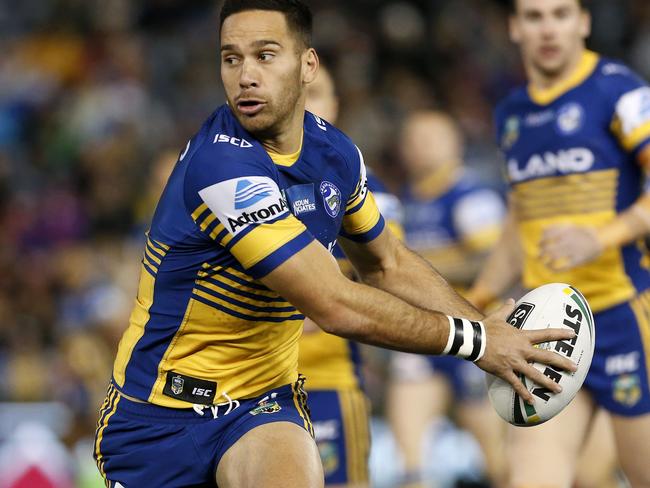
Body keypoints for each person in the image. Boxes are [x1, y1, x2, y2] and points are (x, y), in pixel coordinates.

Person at [93, 1, 576, 487]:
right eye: (231, 58)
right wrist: (478, 342)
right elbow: (333, 304)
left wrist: (485, 327)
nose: (245, 76)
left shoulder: (336, 153)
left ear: (308, 65)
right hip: (158, 420)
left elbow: (387, 263)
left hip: (261, 406)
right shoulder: (220, 166)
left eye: (265, 55)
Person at [467, 0, 650, 486]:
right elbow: (518, 220)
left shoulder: (619, 90)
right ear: (514, 27)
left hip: (628, 315)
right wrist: (477, 300)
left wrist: (601, 237)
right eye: (534, 16)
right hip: (549, 329)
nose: (548, 28)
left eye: (561, 13)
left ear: (584, 22)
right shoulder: (511, 113)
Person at [387, 110, 507, 487]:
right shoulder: (405, 198)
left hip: (476, 335)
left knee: (497, 459)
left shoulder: (471, 195)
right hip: (422, 335)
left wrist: (411, 263)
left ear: (456, 144)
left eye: (432, 138)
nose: (421, 147)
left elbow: (489, 261)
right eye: (414, 139)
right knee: (410, 456)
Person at [301, 64, 404, 487]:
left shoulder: (367, 191)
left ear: (336, 106)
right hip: (246, 384)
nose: (305, 105)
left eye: (317, 93)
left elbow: (391, 274)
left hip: (328, 380)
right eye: (297, 93)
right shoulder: (242, 177)